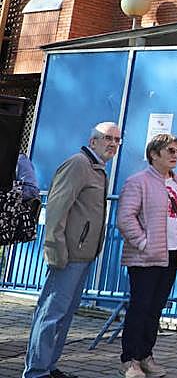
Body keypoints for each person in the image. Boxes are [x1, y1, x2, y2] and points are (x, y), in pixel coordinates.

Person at [24, 122, 121, 378]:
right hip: (67, 255)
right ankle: (35, 371)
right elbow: (57, 208)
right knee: (51, 314)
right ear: (93, 142)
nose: (113, 143)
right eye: (108, 138)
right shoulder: (79, 164)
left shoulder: (98, 169)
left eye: (117, 140)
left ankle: (49, 366)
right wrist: (55, 249)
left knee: (64, 315)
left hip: (83, 255)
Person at [116, 134, 177, 378]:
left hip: (170, 254)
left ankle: (146, 355)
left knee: (156, 308)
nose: (175, 155)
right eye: (170, 150)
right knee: (140, 307)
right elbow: (126, 217)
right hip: (146, 256)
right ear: (154, 154)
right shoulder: (138, 181)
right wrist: (143, 243)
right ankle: (130, 360)